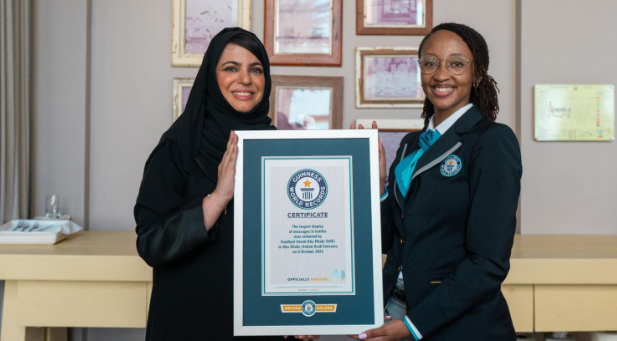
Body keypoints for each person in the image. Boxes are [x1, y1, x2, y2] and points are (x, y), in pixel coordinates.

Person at [134, 28, 317, 341]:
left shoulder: (281, 151)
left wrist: (303, 310)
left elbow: (298, 242)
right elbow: (150, 243)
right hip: (189, 323)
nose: (245, 80)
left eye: (255, 70)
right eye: (231, 68)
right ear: (211, 77)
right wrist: (217, 199)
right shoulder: (178, 147)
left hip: (262, 327)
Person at [352, 23, 523, 340]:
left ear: (478, 73)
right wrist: (377, 184)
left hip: (455, 323)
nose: (441, 74)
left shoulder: (491, 141)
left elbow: (488, 262)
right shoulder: (409, 144)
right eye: (430, 63)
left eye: (456, 63)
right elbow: (391, 242)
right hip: (395, 309)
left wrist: (412, 325)